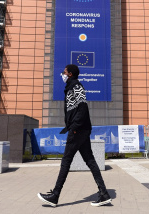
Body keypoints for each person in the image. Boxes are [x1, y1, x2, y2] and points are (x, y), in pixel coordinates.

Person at [37, 64, 111, 207]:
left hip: (78, 130)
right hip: (81, 129)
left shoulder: (76, 86)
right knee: (90, 161)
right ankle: (104, 194)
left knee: (66, 162)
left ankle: (55, 195)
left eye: (64, 71)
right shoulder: (71, 87)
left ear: (70, 74)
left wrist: (75, 128)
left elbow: (82, 107)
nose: (62, 74)